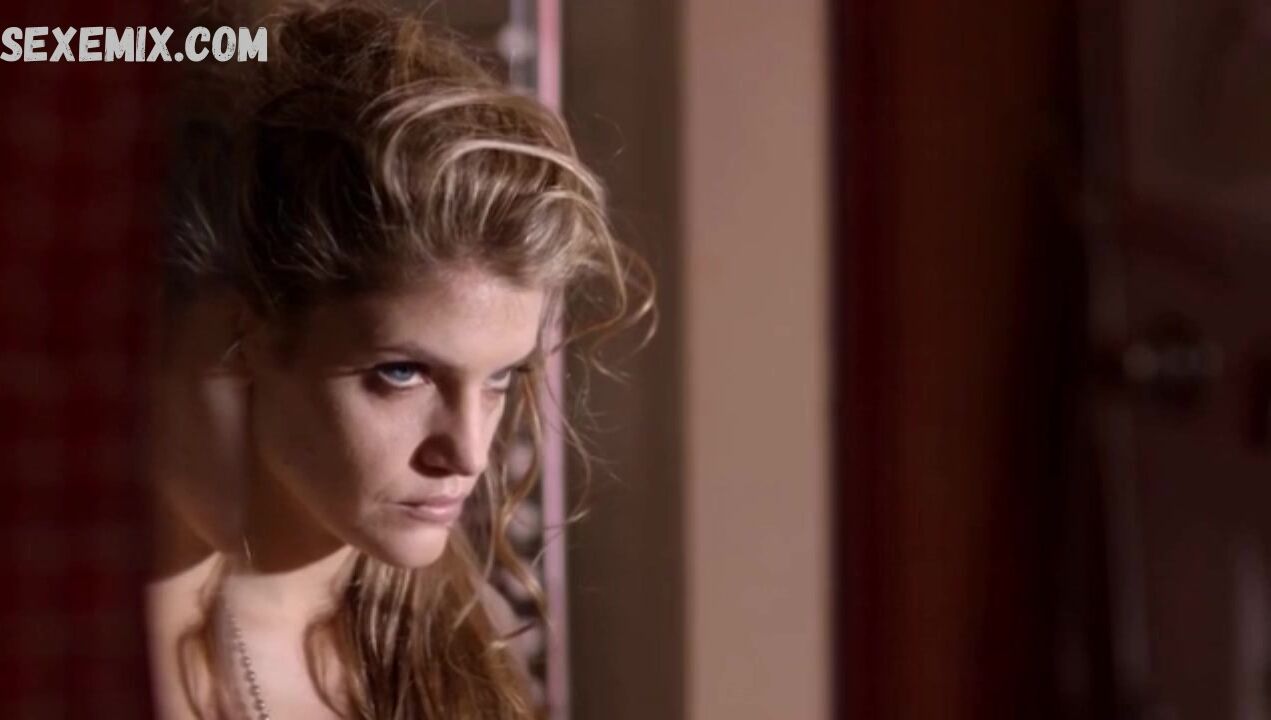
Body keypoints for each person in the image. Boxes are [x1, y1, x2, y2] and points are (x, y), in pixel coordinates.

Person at [145, 1, 652, 718]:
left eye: (501, 378)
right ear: (243, 334)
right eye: (402, 373)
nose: (468, 452)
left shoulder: (451, 648)